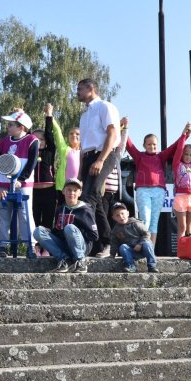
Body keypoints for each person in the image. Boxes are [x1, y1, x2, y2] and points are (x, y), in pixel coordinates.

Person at [76, 78, 120, 258]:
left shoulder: (105, 106)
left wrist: (101, 160)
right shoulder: (85, 115)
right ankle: (100, 245)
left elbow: (112, 133)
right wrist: (80, 171)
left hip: (104, 154)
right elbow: (83, 146)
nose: (77, 92)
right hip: (88, 157)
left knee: (89, 197)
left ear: (91, 88)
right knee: (93, 197)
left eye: (80, 89)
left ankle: (102, 242)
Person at [122, 116, 183, 244]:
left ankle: (150, 249)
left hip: (159, 191)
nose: (152, 146)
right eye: (149, 144)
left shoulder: (161, 156)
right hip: (143, 190)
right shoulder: (139, 156)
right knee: (145, 219)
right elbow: (128, 144)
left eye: (154, 144)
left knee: (154, 222)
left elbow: (174, 147)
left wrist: (184, 135)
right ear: (144, 145)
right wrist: (124, 127)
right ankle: (142, 246)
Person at [0, 109, 40, 258]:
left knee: (25, 214)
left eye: (11, 125)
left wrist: (22, 179)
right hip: (4, 182)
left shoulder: (32, 140)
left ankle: (31, 246)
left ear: (21, 127)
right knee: (3, 213)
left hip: (23, 184)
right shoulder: (4, 141)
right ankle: (2, 245)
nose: (8, 127)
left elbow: (32, 162)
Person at [33, 178, 98, 273]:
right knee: (38, 231)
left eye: (75, 190)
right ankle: (64, 260)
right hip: (64, 245)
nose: (72, 193)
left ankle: (80, 261)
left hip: (81, 246)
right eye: (69, 190)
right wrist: (50, 232)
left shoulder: (85, 210)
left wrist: (76, 236)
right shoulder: (60, 209)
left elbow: (94, 235)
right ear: (63, 191)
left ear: (80, 193)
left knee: (69, 227)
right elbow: (58, 230)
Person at [31, 108, 57, 257]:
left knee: (47, 220)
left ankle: (47, 247)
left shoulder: (50, 151)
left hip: (49, 190)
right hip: (34, 190)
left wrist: (49, 116)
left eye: (41, 139)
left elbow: (49, 134)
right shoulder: (30, 153)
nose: (38, 142)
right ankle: (36, 247)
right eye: (35, 140)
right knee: (34, 219)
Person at [46, 103, 81, 204]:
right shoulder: (64, 149)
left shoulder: (84, 152)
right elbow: (57, 132)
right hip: (63, 187)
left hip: (78, 188)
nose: (74, 135)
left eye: (77, 134)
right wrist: (50, 115)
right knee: (61, 210)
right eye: (71, 133)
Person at [109, 202, 157, 273]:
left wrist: (140, 244)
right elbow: (114, 243)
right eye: (117, 215)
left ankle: (152, 266)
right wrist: (112, 255)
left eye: (122, 213)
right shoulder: (115, 230)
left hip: (143, 249)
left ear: (127, 213)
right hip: (131, 251)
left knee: (147, 243)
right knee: (123, 247)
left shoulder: (136, 223)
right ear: (114, 218)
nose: (121, 217)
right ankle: (131, 266)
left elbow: (147, 234)